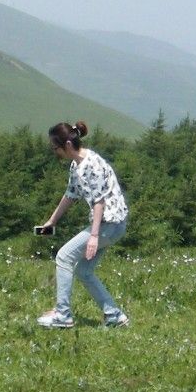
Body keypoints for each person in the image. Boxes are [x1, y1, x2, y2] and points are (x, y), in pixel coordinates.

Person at [32, 120, 130, 330]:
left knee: (64, 256)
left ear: (67, 145)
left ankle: (63, 315)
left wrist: (94, 236)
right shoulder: (77, 165)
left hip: (108, 225)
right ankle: (114, 315)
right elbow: (70, 195)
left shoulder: (91, 165)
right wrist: (51, 222)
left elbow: (99, 201)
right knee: (84, 271)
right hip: (112, 225)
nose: (54, 152)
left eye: (55, 147)